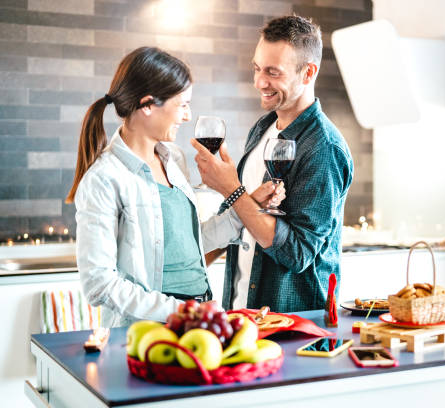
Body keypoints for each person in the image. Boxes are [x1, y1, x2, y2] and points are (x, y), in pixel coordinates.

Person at [66, 47, 283, 327]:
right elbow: (99, 283)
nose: (187, 116)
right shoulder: (105, 179)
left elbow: (188, 245)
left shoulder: (173, 159)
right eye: (182, 105)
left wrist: (248, 206)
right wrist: (177, 311)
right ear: (147, 105)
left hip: (199, 315)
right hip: (147, 329)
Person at [191, 15, 354, 313]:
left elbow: (298, 254)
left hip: (295, 326)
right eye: (256, 68)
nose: (259, 82)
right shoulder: (263, 128)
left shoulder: (323, 147)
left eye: (272, 72)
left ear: (308, 73)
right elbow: (240, 221)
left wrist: (231, 188)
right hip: (241, 313)